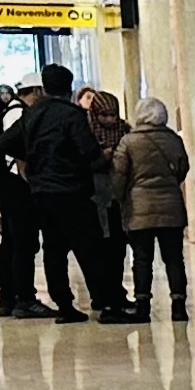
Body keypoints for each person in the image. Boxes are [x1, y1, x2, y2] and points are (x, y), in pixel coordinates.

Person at [14, 65, 116, 324]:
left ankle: (64, 306)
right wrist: (100, 159)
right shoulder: (71, 115)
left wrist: (32, 165)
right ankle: (105, 302)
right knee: (89, 246)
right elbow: (88, 150)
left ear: (44, 88)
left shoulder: (31, 114)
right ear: (69, 88)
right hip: (71, 190)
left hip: (41, 191)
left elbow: (5, 142)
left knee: (54, 249)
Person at [112, 96, 193, 324]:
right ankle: (178, 305)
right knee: (174, 258)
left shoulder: (128, 142)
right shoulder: (174, 140)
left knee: (142, 258)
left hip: (139, 207)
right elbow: (182, 168)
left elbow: (119, 176)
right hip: (171, 206)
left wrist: (122, 198)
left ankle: (142, 305)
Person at [0, 83, 39, 317]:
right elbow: (13, 147)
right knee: (22, 242)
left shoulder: (8, 111)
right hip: (15, 185)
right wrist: (26, 177)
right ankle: (23, 298)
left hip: (4, 184)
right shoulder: (19, 114)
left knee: (10, 242)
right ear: (34, 93)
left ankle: (8, 298)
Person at [80, 86, 134, 317]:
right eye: (105, 115)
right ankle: (101, 294)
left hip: (119, 199)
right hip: (94, 200)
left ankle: (116, 291)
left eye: (113, 115)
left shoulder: (127, 131)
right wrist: (101, 159)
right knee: (99, 249)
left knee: (118, 249)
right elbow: (80, 163)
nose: (111, 120)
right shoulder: (84, 132)